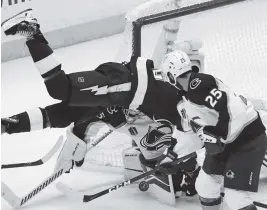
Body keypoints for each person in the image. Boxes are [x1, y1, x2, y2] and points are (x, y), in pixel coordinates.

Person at [1, 9, 203, 201]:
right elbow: (192, 135)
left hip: (119, 94)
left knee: (61, 115)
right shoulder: (176, 116)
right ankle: (33, 32)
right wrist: (178, 158)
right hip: (124, 85)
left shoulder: (147, 130)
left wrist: (79, 137)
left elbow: (99, 115)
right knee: (59, 89)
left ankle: (7, 125)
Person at [158, 50, 267, 210]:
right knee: (205, 186)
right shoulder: (185, 99)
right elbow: (190, 132)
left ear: (172, 75)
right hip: (226, 144)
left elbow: (232, 106)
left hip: (248, 140)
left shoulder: (200, 85)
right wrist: (172, 156)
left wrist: (219, 135)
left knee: (236, 196)